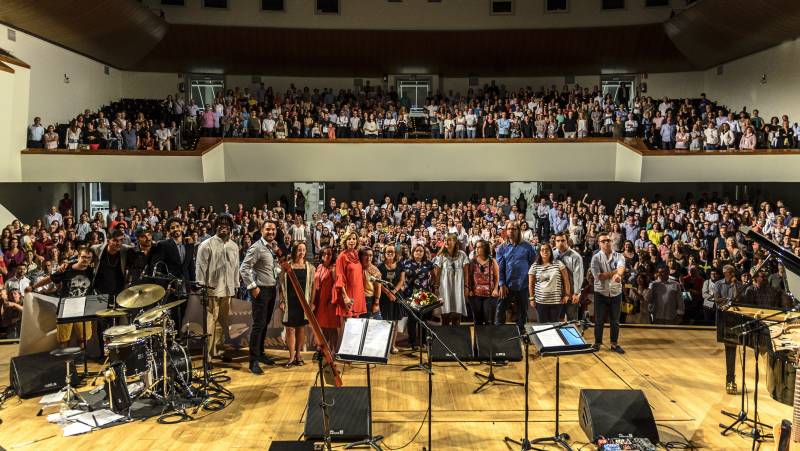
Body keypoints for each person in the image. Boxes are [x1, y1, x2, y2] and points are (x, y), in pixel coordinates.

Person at [28, 247, 95, 348]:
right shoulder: (66, 269)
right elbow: (50, 279)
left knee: (83, 338)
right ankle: (65, 361)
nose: (86, 260)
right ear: (78, 257)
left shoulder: (92, 271)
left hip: (83, 309)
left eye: (89, 258)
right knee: (63, 339)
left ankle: (80, 359)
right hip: (65, 308)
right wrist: (33, 287)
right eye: (83, 257)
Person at [195, 215, 239, 364]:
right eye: (220, 224)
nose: (223, 226)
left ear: (231, 227)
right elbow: (200, 269)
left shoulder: (234, 246)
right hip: (211, 290)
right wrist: (201, 289)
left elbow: (236, 268)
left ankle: (219, 351)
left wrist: (236, 286)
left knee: (223, 323)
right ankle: (207, 355)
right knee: (210, 323)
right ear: (216, 227)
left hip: (228, 291)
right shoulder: (206, 245)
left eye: (226, 224)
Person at [240, 220, 280, 374]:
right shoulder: (256, 247)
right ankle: (253, 361)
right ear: (262, 230)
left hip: (271, 290)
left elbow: (270, 267)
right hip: (261, 291)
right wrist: (252, 287)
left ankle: (261, 354)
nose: (271, 232)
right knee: (258, 325)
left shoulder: (271, 247)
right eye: (268, 229)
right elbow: (244, 269)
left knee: (265, 324)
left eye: (273, 229)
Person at [279, 241, 315, 367]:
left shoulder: (310, 268)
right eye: (299, 250)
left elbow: (313, 288)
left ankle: (299, 354)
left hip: (303, 303)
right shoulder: (287, 266)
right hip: (290, 301)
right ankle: (291, 356)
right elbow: (281, 285)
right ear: (294, 251)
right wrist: (282, 300)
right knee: (289, 329)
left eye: (304, 250)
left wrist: (311, 303)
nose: (302, 252)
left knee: (301, 328)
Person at [496, 221, 536, 330]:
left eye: (514, 229)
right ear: (506, 231)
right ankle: (499, 334)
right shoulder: (501, 248)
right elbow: (500, 268)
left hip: (523, 285)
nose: (511, 231)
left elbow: (533, 265)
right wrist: (501, 284)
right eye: (509, 229)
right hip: (506, 285)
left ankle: (521, 334)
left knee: (522, 312)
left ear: (519, 230)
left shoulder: (528, 247)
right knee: (500, 310)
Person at [590, 232, 626, 353]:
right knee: (599, 320)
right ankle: (597, 343)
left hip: (616, 292)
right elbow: (599, 276)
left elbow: (621, 268)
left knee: (615, 320)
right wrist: (614, 273)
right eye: (603, 241)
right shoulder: (596, 258)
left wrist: (618, 274)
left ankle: (614, 344)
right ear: (599, 244)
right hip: (601, 292)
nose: (606, 242)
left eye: (608, 240)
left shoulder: (619, 256)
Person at [714, 264, 744, 394]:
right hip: (724, 318)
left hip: (736, 318)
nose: (730, 275)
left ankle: (731, 380)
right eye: (727, 273)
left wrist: (734, 286)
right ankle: (730, 379)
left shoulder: (738, 285)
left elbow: (738, 300)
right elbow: (717, 300)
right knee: (730, 348)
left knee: (732, 349)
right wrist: (728, 300)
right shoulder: (719, 284)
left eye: (731, 273)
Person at [402, 244, 435, 349]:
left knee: (423, 319)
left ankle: (424, 341)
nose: (419, 253)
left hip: (424, 294)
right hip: (410, 294)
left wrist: (431, 286)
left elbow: (434, 276)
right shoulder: (406, 263)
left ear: (424, 253)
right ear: (413, 252)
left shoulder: (429, 263)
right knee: (412, 319)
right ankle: (412, 342)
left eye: (421, 251)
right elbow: (402, 278)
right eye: (416, 251)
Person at [528, 243, 571, 323]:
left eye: (547, 250)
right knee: (543, 327)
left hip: (556, 301)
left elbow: (566, 280)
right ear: (539, 252)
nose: (545, 252)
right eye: (542, 250)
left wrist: (567, 294)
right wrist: (531, 298)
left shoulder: (558, 264)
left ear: (550, 251)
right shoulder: (534, 266)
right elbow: (531, 284)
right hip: (540, 301)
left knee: (555, 325)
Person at [433, 233, 469, 326]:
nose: (446, 241)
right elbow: (437, 274)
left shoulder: (462, 255)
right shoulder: (441, 255)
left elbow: (466, 273)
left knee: (456, 315)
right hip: (444, 287)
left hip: (458, 287)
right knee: (445, 314)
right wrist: (436, 288)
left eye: (449, 239)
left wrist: (466, 287)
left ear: (455, 241)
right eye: (445, 239)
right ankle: (446, 338)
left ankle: (456, 338)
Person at [377, 245, 405, 352]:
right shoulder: (380, 266)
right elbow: (379, 282)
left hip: (396, 296)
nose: (390, 254)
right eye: (387, 252)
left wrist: (393, 292)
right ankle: (384, 346)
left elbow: (402, 281)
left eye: (392, 252)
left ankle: (392, 346)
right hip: (384, 297)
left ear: (395, 254)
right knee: (384, 321)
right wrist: (388, 293)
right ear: (384, 254)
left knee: (394, 322)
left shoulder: (400, 265)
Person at [333, 232, 367, 320]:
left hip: (358, 294)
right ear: (345, 241)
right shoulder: (342, 256)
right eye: (349, 239)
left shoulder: (357, 254)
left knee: (355, 327)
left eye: (354, 239)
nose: (352, 241)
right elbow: (339, 278)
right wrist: (345, 297)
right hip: (348, 295)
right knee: (347, 327)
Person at [312, 246, 339, 351]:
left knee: (332, 327)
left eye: (329, 254)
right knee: (322, 326)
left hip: (330, 301)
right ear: (321, 256)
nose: (327, 256)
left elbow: (336, 285)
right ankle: (323, 350)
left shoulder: (334, 268)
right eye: (324, 254)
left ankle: (333, 351)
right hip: (320, 300)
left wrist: (333, 300)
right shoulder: (319, 266)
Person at [467, 239, 499, 325]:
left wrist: (496, 289)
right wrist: (469, 289)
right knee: (477, 320)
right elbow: (469, 277)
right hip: (475, 294)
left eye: (479, 247)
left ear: (485, 248)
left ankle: (489, 338)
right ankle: (478, 338)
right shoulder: (473, 261)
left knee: (489, 320)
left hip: (489, 294)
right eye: (476, 247)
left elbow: (496, 277)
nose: (477, 249)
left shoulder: (492, 261)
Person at [553, 232, 584, 321]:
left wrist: (577, 293)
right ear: (555, 242)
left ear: (568, 241)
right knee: (557, 321)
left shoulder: (575, 256)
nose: (560, 243)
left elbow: (578, 276)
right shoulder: (552, 254)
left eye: (563, 240)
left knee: (572, 321)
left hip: (571, 294)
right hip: (557, 294)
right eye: (558, 241)